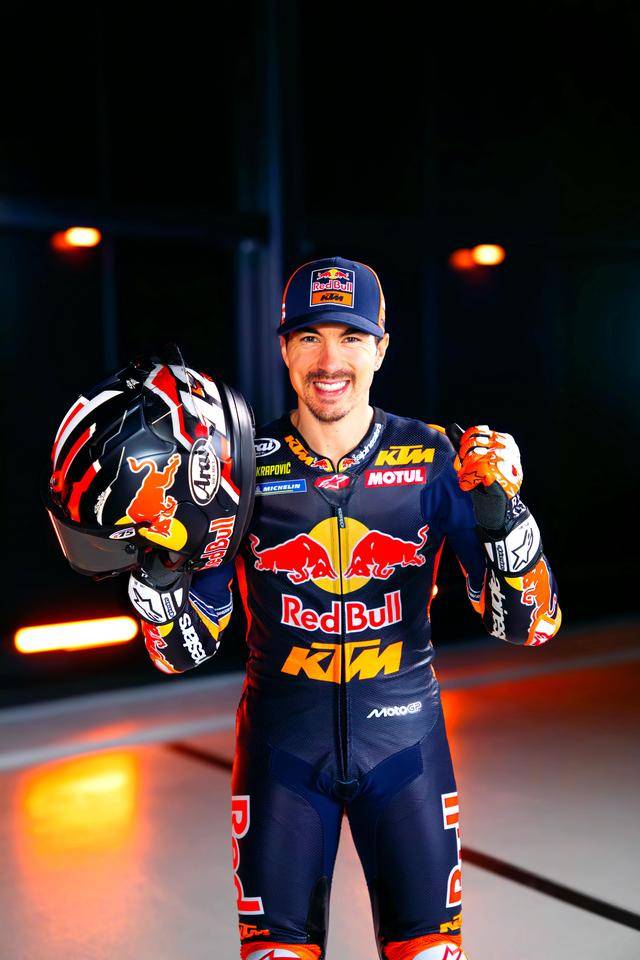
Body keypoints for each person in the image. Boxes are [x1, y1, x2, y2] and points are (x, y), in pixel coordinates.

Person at [58, 258, 562, 960]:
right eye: (310, 337)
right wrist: (162, 570)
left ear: (381, 349)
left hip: (407, 753)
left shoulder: (437, 458)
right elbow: (182, 653)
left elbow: (532, 625)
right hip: (280, 758)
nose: (330, 361)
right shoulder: (236, 471)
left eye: (351, 338)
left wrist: (507, 522)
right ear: (284, 348)